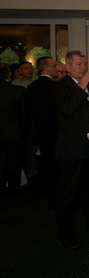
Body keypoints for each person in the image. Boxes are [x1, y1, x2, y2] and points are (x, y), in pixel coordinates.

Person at [52, 50, 89, 249]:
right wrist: (81, 87)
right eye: (79, 64)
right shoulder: (61, 87)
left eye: (85, 64)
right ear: (67, 67)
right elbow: (66, 110)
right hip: (70, 150)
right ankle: (65, 235)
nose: (83, 68)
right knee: (68, 194)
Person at [25, 57, 59, 208]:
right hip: (55, 132)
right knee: (55, 166)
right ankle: (55, 195)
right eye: (54, 66)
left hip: (40, 132)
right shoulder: (54, 87)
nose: (56, 69)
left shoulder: (31, 87)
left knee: (45, 164)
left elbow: (28, 111)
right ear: (46, 69)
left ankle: (46, 193)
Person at [0, 63, 25, 196]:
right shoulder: (17, 90)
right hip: (14, 134)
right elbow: (24, 115)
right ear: (9, 74)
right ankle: (13, 191)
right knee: (14, 165)